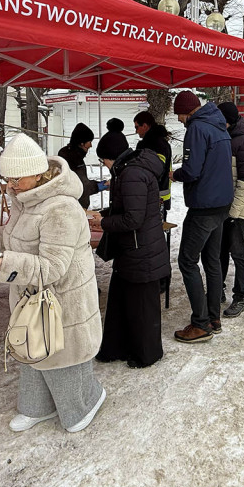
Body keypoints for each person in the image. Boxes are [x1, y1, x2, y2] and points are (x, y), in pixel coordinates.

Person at [0, 135, 105, 433]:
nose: (11, 185)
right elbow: (17, 232)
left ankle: (84, 402)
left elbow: (52, 268)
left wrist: (2, 264)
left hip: (64, 297)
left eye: (17, 178)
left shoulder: (61, 209)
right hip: (30, 292)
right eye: (7, 179)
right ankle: (37, 406)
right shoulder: (25, 197)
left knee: (62, 354)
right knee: (31, 345)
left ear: (37, 173)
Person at [90, 133, 168, 369]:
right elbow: (125, 206)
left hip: (141, 250)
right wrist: (103, 215)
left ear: (110, 157)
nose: (104, 165)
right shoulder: (128, 170)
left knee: (142, 307)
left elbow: (133, 219)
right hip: (131, 248)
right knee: (121, 301)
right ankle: (116, 347)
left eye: (103, 160)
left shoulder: (132, 173)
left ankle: (147, 354)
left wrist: (103, 224)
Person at [170, 90, 233, 342]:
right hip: (221, 205)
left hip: (204, 206)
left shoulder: (196, 129)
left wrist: (176, 174)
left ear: (187, 111)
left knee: (187, 261)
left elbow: (193, 170)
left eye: (179, 114)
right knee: (212, 261)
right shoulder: (219, 126)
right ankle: (214, 317)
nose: (178, 120)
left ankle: (200, 324)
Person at [216, 102, 244, 318]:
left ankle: (240, 298)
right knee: (219, 251)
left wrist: (233, 213)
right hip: (221, 209)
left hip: (236, 212)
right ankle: (218, 290)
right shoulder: (225, 138)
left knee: (238, 254)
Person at [133, 110, 173, 295]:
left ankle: (160, 281)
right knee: (156, 242)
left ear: (145, 126)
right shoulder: (160, 142)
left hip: (155, 199)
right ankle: (159, 280)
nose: (136, 132)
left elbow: (152, 173)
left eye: (137, 127)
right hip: (160, 198)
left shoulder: (154, 144)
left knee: (154, 243)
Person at [57, 123, 99, 210]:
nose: (90, 145)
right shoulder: (73, 158)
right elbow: (81, 185)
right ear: (82, 142)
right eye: (89, 142)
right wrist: (100, 186)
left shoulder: (72, 155)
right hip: (74, 207)